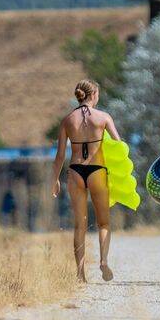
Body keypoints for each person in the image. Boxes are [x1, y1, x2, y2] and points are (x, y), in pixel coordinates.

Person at [52, 79, 121, 283]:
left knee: (79, 225)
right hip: (97, 170)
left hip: (75, 171)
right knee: (104, 222)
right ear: (94, 94)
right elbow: (119, 146)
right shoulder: (103, 117)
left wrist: (54, 180)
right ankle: (103, 261)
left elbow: (59, 156)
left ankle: (80, 274)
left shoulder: (67, 120)